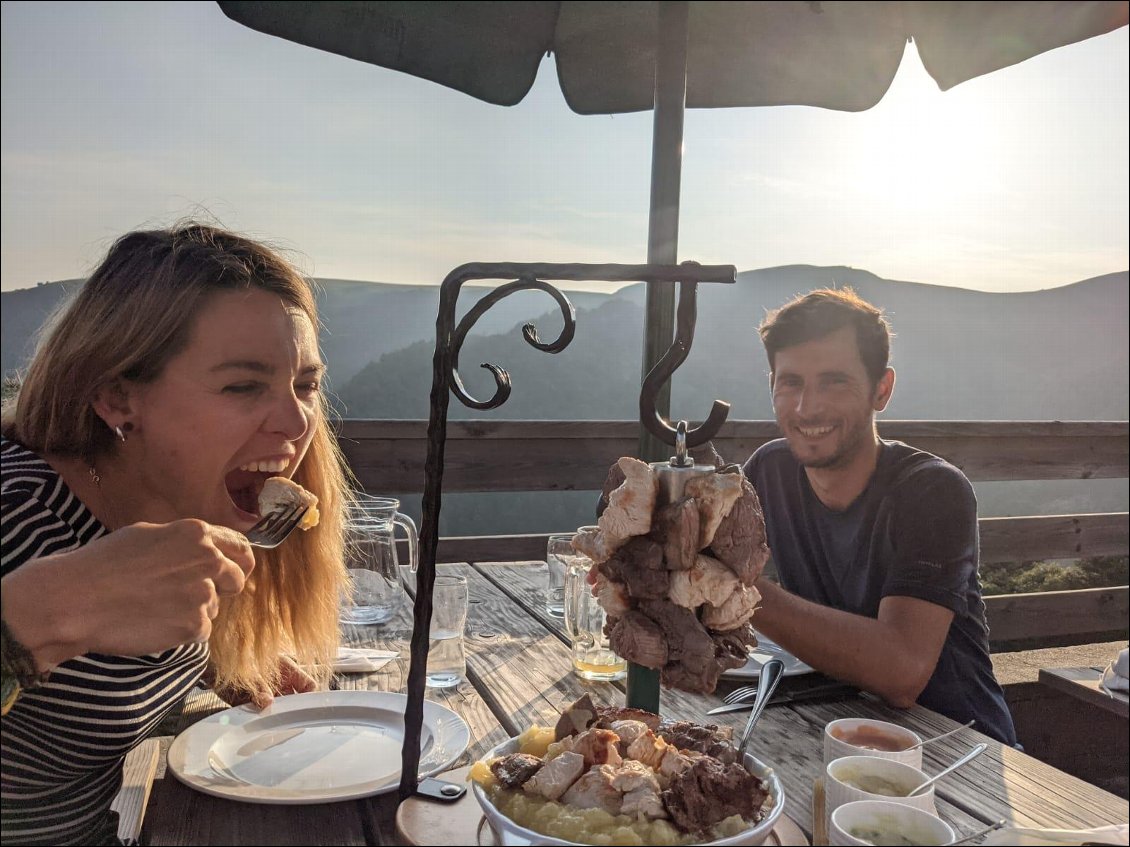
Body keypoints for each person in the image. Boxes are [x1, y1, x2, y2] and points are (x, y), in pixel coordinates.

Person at [1, 223, 350, 845]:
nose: (298, 421)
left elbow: (74, 711)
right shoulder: (21, 514)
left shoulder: (190, 508)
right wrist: (33, 618)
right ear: (117, 400)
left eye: (305, 385)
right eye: (243, 386)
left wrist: (217, 679)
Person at [743, 287, 1017, 746]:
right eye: (791, 382)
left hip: (959, 746)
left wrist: (735, 589)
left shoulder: (933, 491)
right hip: (839, 725)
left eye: (834, 381)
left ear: (881, 389)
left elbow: (902, 672)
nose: (807, 407)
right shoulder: (768, 472)